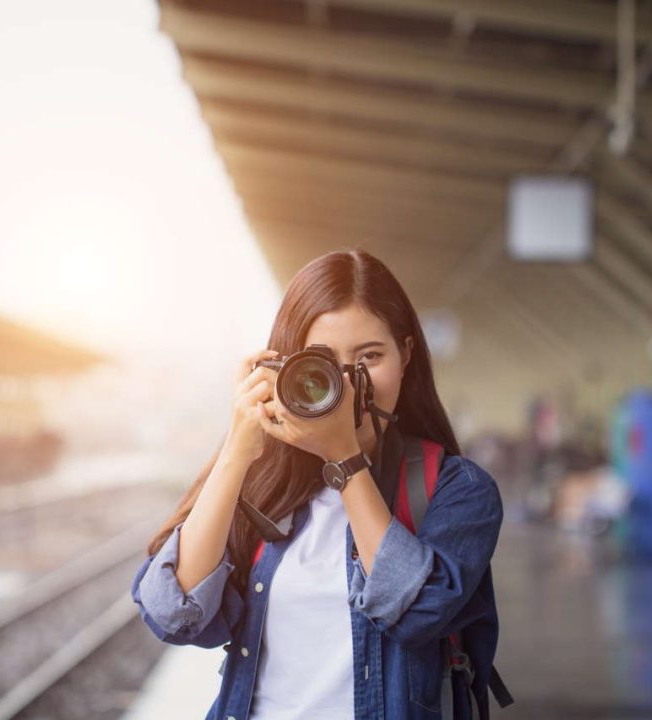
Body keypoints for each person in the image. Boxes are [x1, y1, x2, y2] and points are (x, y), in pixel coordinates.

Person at [131, 250, 507, 719]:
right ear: (287, 369)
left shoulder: (457, 489)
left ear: (406, 354)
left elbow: (418, 613)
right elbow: (174, 614)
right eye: (324, 363)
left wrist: (345, 458)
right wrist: (238, 448)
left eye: (370, 356)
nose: (350, 383)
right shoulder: (261, 485)